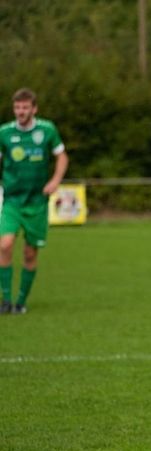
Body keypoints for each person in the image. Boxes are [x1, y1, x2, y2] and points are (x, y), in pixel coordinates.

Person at [0, 88, 68, 315]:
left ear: (34, 109)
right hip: (12, 200)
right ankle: (6, 300)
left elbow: (62, 156)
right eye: (17, 107)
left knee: (30, 254)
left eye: (25, 107)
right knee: (4, 245)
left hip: (37, 202)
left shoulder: (47, 130)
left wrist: (55, 180)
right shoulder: (4, 133)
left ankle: (20, 302)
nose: (20, 111)